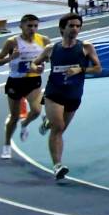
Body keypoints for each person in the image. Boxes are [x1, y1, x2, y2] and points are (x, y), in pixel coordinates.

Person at [35, 14, 101, 182]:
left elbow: (98, 68)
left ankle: (48, 122)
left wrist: (81, 70)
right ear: (62, 28)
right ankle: (57, 166)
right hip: (54, 92)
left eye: (78, 26)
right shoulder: (51, 49)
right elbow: (35, 63)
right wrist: (37, 67)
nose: (75, 29)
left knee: (60, 128)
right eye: (71, 26)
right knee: (58, 127)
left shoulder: (86, 47)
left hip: (74, 94)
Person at [0, 13, 49, 160]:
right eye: (29, 26)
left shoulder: (44, 40)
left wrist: (42, 65)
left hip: (33, 80)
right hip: (15, 82)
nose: (33, 29)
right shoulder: (12, 42)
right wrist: (10, 58)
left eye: (35, 26)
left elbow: (48, 58)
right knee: (14, 117)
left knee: (36, 111)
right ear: (21, 26)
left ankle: (25, 124)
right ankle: (7, 145)